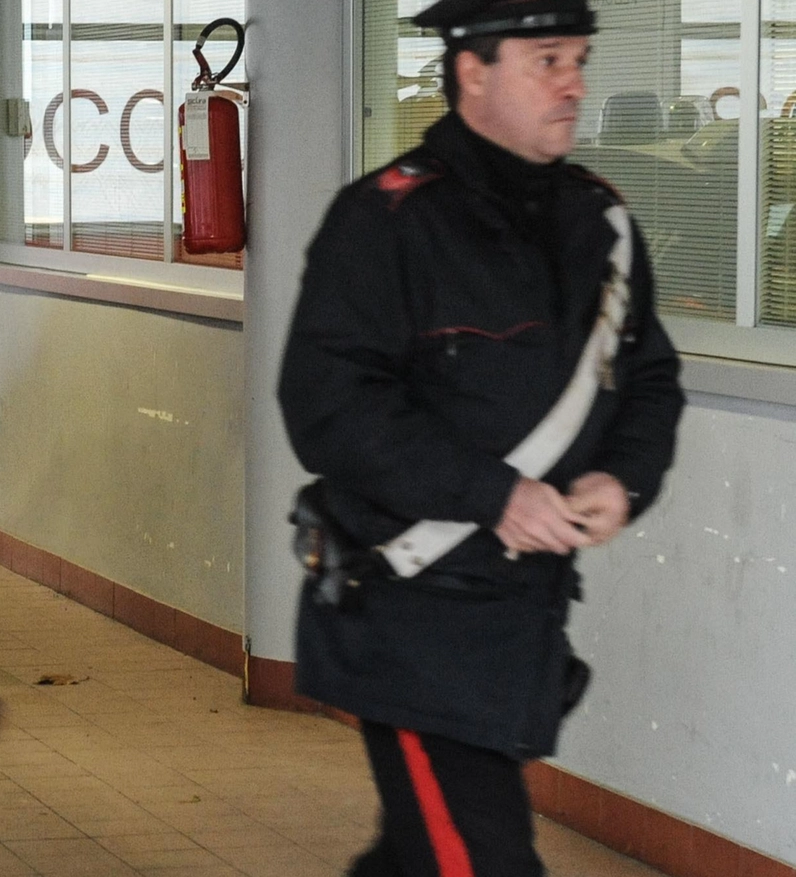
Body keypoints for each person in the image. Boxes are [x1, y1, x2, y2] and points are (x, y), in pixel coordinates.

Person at [276, 0, 686, 874]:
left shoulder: (601, 224)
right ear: (473, 71)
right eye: (547, 60)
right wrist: (492, 494)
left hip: (519, 622)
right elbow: (327, 404)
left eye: (579, 57)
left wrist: (625, 476)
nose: (574, 83)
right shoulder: (386, 219)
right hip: (411, 616)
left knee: (422, 853)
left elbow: (647, 376)